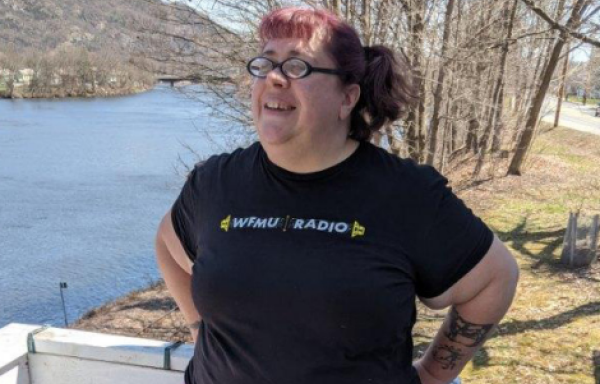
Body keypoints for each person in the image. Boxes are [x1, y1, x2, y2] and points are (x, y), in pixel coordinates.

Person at [155, 7, 519, 384]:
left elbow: (496, 278)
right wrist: (200, 329)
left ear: (347, 98)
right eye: (266, 63)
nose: (275, 78)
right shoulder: (215, 182)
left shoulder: (405, 195)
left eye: (298, 66)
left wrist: (432, 374)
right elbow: (167, 245)